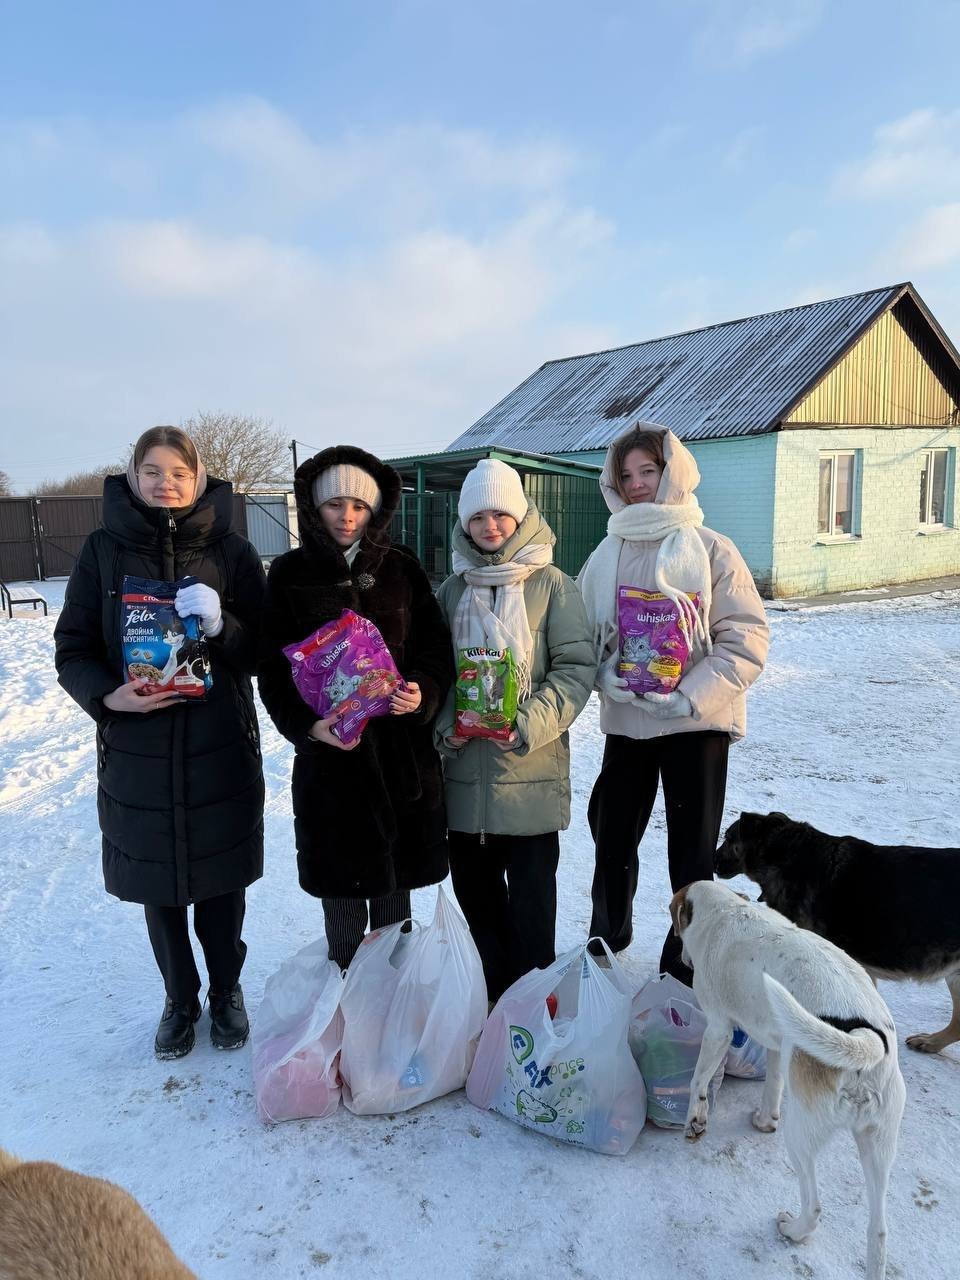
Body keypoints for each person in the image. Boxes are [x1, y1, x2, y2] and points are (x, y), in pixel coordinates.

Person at [54, 426, 267, 1059]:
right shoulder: (103, 550)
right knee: (159, 887)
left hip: (219, 744)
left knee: (221, 882)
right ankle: (179, 998)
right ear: (134, 476)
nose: (165, 483)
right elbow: (72, 648)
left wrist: (223, 624)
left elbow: (263, 649)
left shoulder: (231, 549)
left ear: (197, 478)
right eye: (152, 471)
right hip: (138, 751)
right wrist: (107, 696)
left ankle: (226, 990)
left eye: (178, 472)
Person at [578, 423, 769, 982]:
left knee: (692, 849)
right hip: (628, 720)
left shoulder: (711, 549)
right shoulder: (606, 553)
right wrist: (603, 673)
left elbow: (745, 639)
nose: (637, 483)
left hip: (696, 724)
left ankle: (685, 957)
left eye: (648, 471)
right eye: (626, 475)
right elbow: (583, 636)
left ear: (672, 473)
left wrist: (689, 696)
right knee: (612, 835)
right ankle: (607, 934)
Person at [257, 446, 453, 970]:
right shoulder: (289, 574)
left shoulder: (403, 568)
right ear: (313, 507)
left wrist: (422, 692)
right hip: (332, 767)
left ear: (376, 510)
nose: (347, 516)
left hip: (400, 761)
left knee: (395, 907)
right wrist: (308, 727)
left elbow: (436, 650)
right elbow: (271, 669)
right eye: (335, 504)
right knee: (342, 903)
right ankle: (342, 992)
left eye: (360, 506)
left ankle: (391, 995)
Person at [434, 459, 595, 1002]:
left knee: (530, 912)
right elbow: (436, 674)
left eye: (500, 513)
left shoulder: (553, 586)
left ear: (521, 515)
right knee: (478, 903)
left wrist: (527, 722)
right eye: (478, 516)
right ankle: (495, 1003)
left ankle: (533, 1006)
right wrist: (447, 726)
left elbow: (575, 669)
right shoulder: (452, 591)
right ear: (464, 523)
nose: (490, 525)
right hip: (465, 783)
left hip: (529, 778)